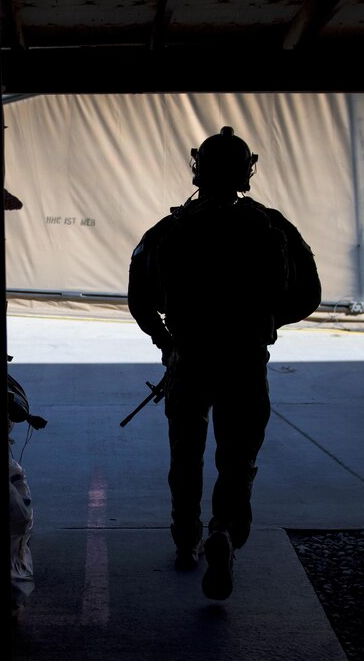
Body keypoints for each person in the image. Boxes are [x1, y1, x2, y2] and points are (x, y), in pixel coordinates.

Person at [128, 126, 301, 600]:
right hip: (246, 362)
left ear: (197, 169)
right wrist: (267, 325)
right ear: (247, 171)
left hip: (190, 361)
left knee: (186, 453)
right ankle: (224, 531)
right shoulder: (271, 226)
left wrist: (167, 343)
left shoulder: (169, 230)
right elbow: (308, 293)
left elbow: (139, 299)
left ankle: (187, 540)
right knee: (238, 458)